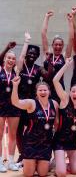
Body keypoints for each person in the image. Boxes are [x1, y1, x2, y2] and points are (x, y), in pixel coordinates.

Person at [11, 76, 59, 177]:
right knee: (28, 174)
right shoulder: (31, 103)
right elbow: (15, 102)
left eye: (45, 90)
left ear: (49, 92)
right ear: (36, 92)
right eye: (40, 90)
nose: (43, 92)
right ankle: (27, 161)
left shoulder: (54, 104)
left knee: (43, 174)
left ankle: (43, 163)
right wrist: (15, 86)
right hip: (31, 143)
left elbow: (57, 123)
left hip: (46, 144)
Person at [0, 33, 31, 172]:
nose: (11, 60)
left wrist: (26, 41)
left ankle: (11, 161)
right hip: (0, 106)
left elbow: (22, 56)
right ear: (5, 59)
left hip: (13, 105)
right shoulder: (0, 70)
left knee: (12, 135)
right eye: (9, 58)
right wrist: (7, 48)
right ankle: (0, 161)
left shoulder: (17, 72)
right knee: (0, 134)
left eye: (13, 58)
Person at [53, 58, 76, 176]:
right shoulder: (65, 100)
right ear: (69, 92)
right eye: (73, 91)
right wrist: (66, 65)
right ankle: (57, 161)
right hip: (60, 141)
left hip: (73, 141)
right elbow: (55, 80)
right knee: (61, 173)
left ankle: (63, 162)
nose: (75, 94)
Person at [41, 10, 74, 101]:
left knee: (57, 111)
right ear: (52, 45)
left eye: (60, 45)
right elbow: (43, 34)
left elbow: (71, 38)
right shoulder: (47, 54)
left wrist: (70, 21)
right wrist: (46, 17)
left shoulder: (64, 56)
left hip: (59, 86)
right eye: (56, 44)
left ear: (63, 46)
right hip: (46, 87)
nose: (58, 46)